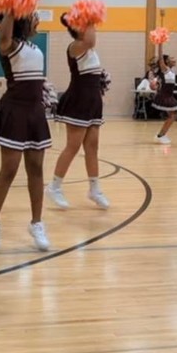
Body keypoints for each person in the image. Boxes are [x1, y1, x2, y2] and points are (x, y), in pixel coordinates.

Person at [0, 6, 52, 253]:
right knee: (9, 169)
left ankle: (37, 223)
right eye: (33, 16)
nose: (37, 19)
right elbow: (3, 36)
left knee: (36, 168)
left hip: (34, 112)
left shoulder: (36, 48)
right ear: (21, 21)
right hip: (14, 111)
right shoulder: (10, 46)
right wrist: (12, 5)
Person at [46, 14, 109, 210]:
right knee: (72, 147)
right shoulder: (76, 46)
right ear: (80, 29)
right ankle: (54, 187)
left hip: (93, 102)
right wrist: (90, 16)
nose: (94, 28)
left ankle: (95, 189)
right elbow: (91, 39)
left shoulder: (89, 49)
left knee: (92, 147)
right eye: (90, 26)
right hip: (79, 101)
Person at [152, 54, 177, 144]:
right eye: (172, 58)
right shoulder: (165, 69)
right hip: (165, 96)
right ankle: (161, 135)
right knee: (173, 115)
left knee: (173, 115)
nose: (174, 59)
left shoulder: (172, 71)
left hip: (169, 95)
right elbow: (161, 59)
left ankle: (161, 134)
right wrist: (160, 43)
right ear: (167, 62)